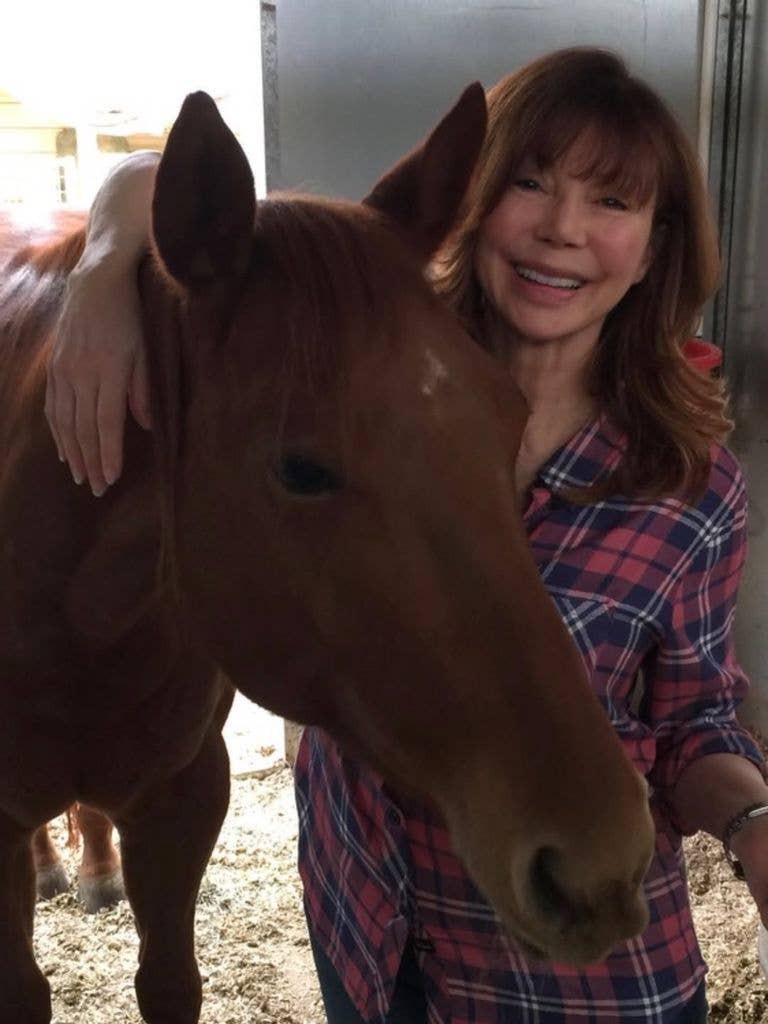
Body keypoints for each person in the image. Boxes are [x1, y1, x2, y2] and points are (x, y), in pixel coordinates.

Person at [47, 47, 768, 1024]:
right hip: (367, 937)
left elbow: (696, 715)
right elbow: (185, 194)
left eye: (612, 202)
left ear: (654, 242)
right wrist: (101, 266)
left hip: (577, 983)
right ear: (471, 200)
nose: (561, 227)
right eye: (531, 182)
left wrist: (754, 822)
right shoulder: (365, 373)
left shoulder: (688, 487)